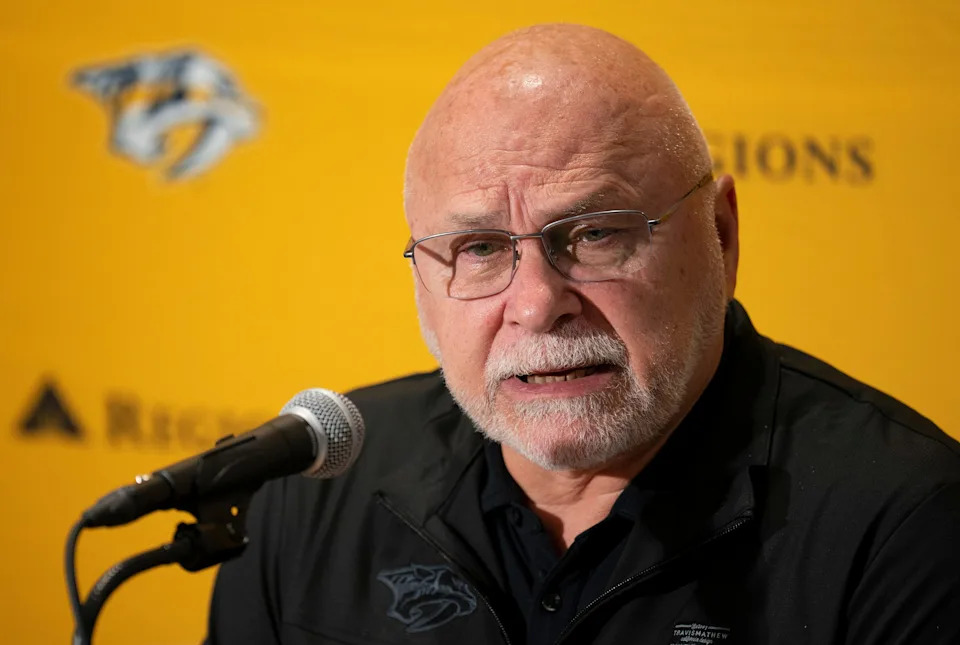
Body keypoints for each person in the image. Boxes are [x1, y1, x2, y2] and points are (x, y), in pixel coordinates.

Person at [207, 24, 960, 644]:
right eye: (479, 248)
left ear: (721, 236)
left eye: (596, 233)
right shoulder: (310, 498)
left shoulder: (908, 525)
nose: (537, 304)